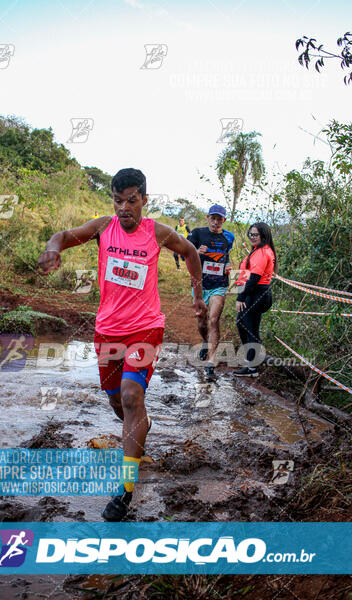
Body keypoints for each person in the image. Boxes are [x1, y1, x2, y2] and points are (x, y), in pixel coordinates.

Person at [38, 168, 206, 521]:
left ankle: (125, 489)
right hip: (108, 330)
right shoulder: (103, 228)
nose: (124, 208)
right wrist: (53, 248)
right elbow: (65, 235)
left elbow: (190, 252)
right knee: (119, 402)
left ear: (145, 199)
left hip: (145, 327)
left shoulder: (157, 232)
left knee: (131, 395)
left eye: (131, 200)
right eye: (118, 201)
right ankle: (140, 426)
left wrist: (197, 295)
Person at [187, 205, 234, 381]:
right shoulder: (197, 234)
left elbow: (225, 256)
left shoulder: (229, 237)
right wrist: (197, 253)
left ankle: (211, 362)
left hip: (219, 284)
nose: (215, 222)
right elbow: (185, 255)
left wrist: (228, 266)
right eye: (213, 218)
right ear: (207, 217)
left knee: (214, 320)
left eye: (219, 219)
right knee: (202, 320)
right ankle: (205, 343)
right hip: (200, 284)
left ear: (224, 220)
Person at [233, 222, 276, 377]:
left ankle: (252, 367)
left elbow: (254, 279)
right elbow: (246, 274)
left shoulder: (263, 252)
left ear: (263, 235)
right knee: (242, 324)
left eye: (255, 234)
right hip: (253, 292)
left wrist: (241, 297)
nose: (252, 237)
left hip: (258, 293)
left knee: (249, 328)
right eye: (250, 234)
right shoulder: (257, 250)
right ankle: (250, 359)